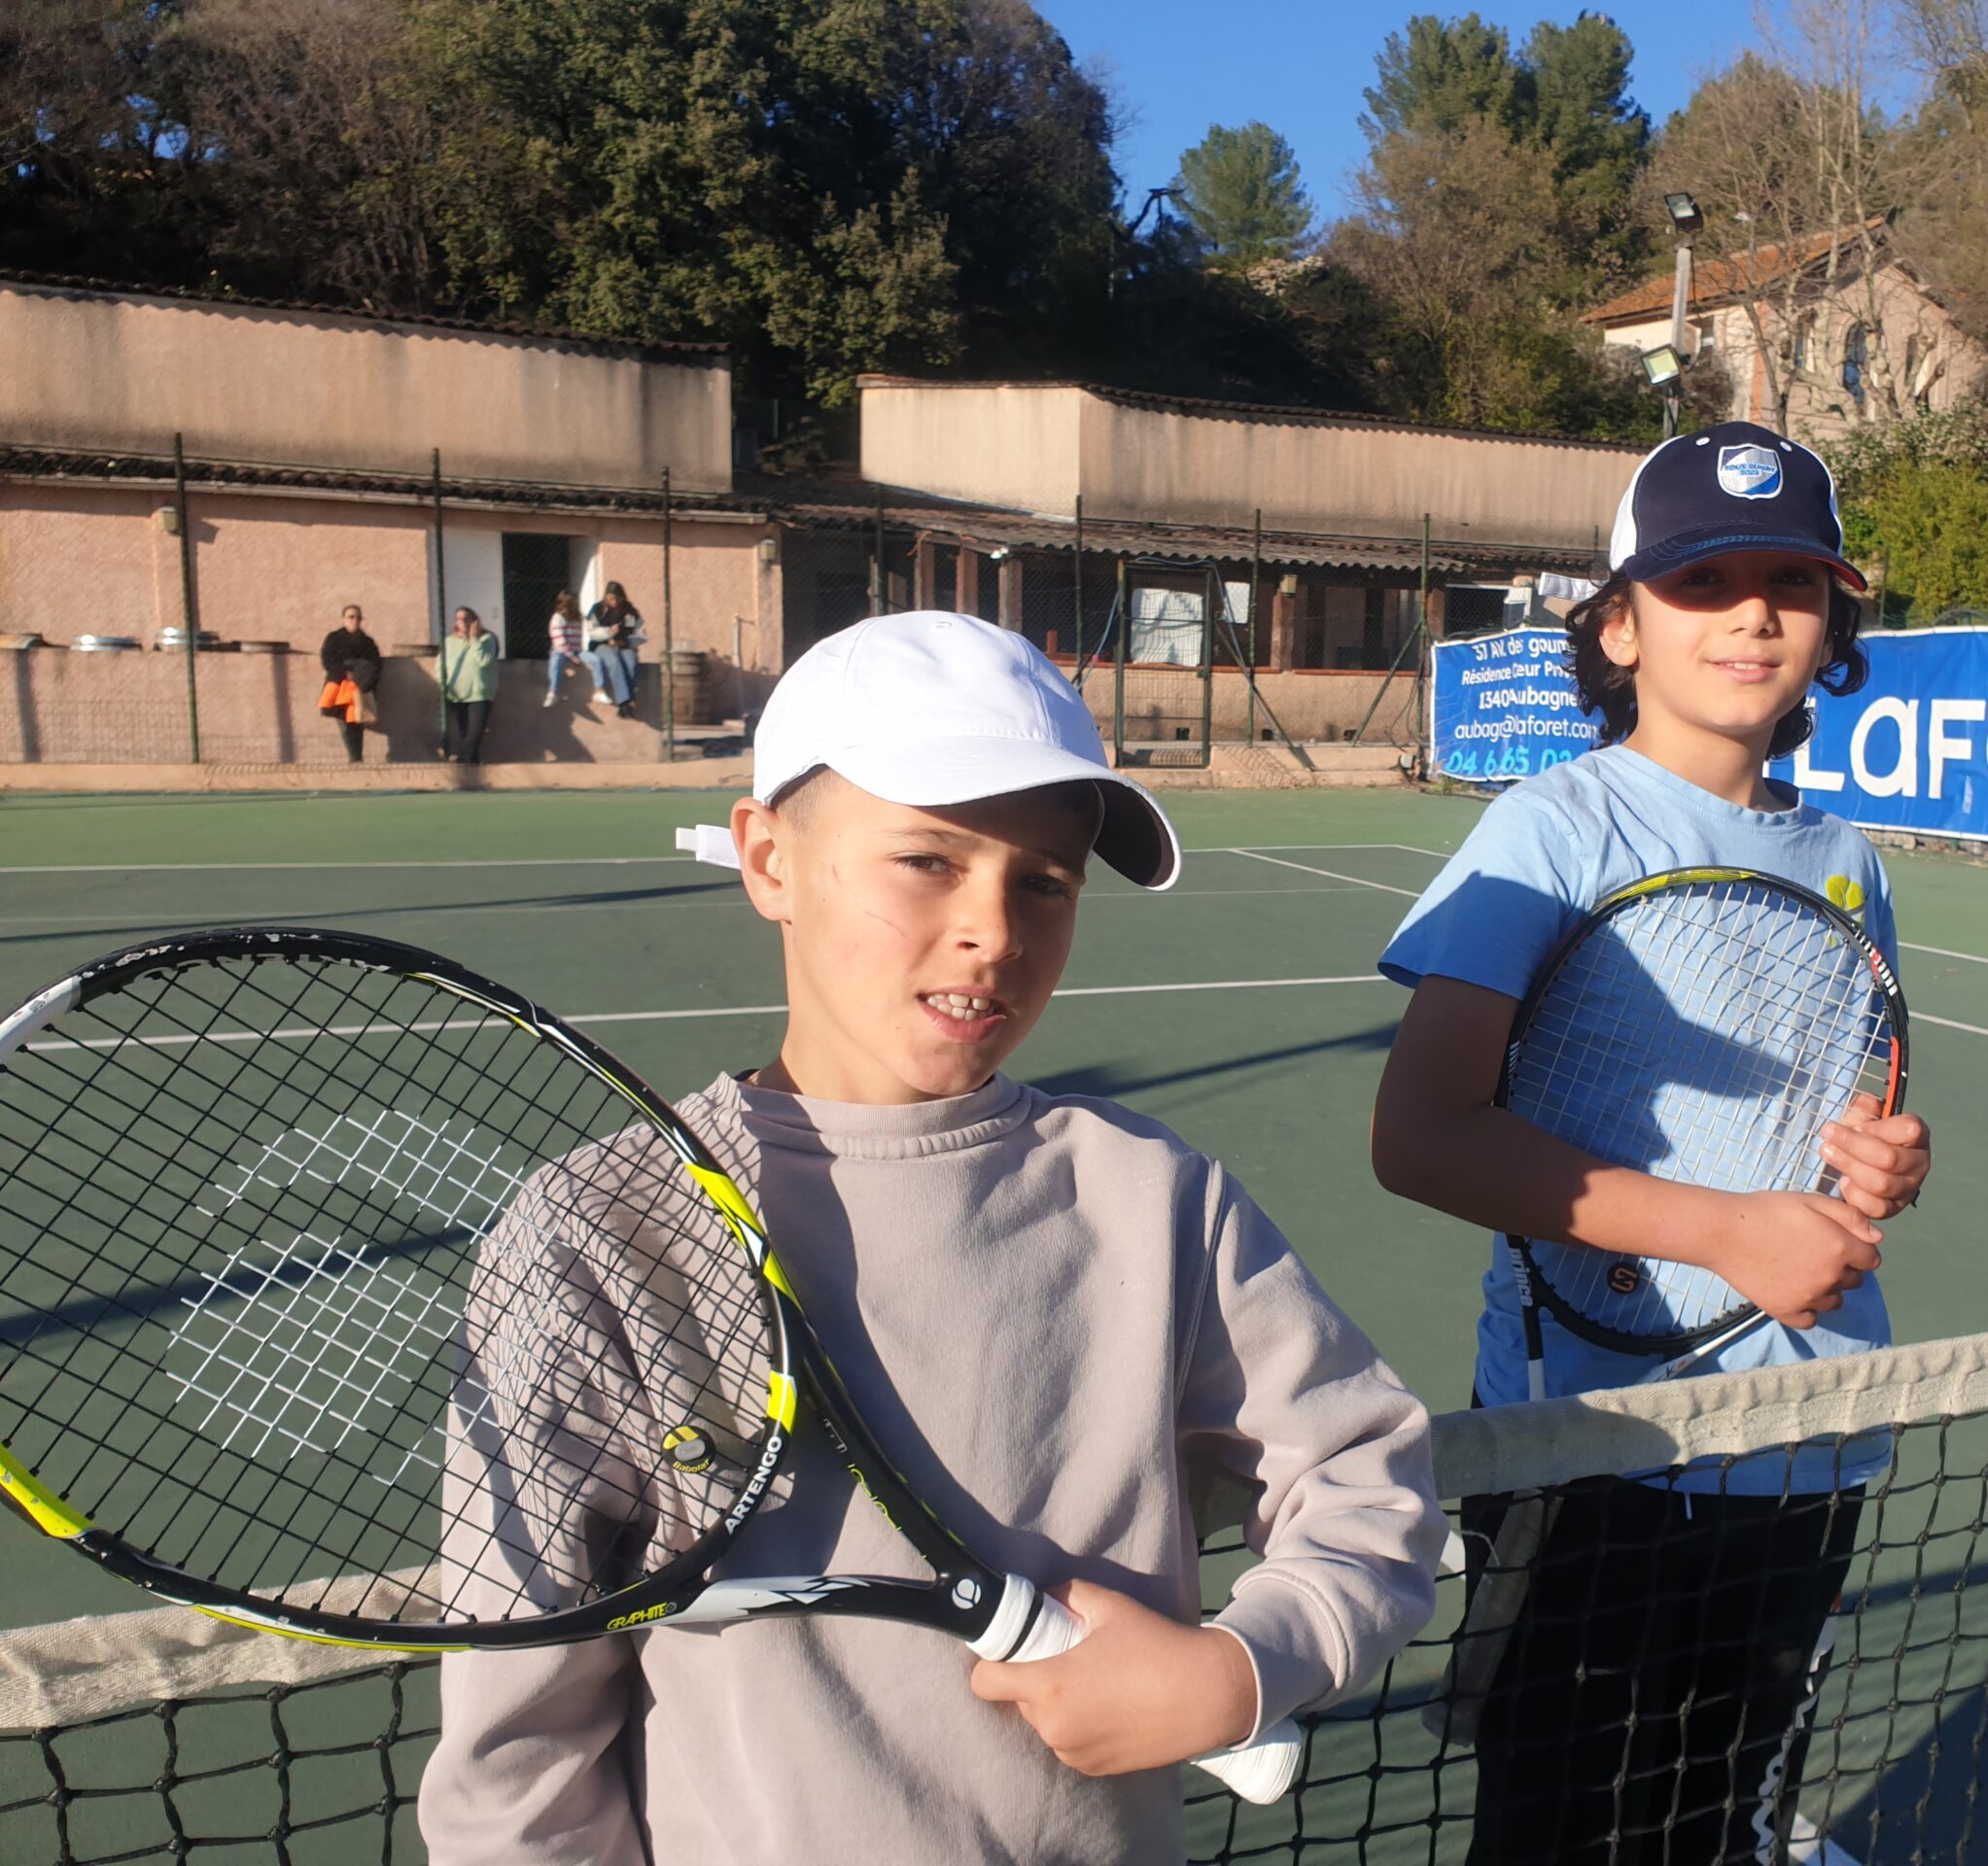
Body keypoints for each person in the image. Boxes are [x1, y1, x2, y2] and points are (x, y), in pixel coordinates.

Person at [419, 610, 1445, 1865]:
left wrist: (1242, 1669)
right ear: (768, 860)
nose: (994, 931)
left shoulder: (1154, 1198)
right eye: (927, 860)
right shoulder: (597, 1235)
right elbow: (517, 1767)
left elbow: (1364, 1471)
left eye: (1045, 881)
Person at [1368, 424, 1935, 1865]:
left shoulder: (1847, 862)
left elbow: (1837, 1112)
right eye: (1701, 583)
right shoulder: (1546, 831)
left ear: (1832, 624)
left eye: (1789, 584)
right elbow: (1423, 1135)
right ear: (1618, 626)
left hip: (1807, 1445)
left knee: (1714, 1822)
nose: (1752, 614)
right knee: (1560, 1834)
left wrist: (1881, 1166)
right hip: (1593, 1456)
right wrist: (1721, 1229)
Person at [317, 603, 382, 763]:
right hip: (339, 686)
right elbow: (327, 660)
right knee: (344, 722)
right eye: (351, 617)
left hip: (359, 688)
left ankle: (356, 758)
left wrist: (362, 679)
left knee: (356, 721)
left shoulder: (367, 642)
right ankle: (354, 756)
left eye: (358, 617)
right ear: (344, 619)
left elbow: (376, 664)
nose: (355, 621)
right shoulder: (333, 638)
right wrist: (344, 673)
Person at [439, 606, 500, 765]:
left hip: (478, 694)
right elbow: (441, 666)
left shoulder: (487, 639)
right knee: (463, 732)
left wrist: (474, 639)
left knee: (475, 732)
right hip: (456, 693)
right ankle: (471, 764)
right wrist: (442, 685)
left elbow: (483, 661)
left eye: (466, 619)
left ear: (475, 621)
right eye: (459, 619)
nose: (463, 622)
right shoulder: (449, 641)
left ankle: (462, 760)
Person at [585, 579, 644, 716]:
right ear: (606, 597)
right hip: (601, 646)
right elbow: (592, 631)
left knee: (630, 661)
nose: (614, 602)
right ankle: (623, 702)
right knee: (614, 661)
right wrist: (608, 633)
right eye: (611, 599)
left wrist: (625, 642)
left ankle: (629, 701)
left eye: (617, 599)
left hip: (624, 646)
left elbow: (640, 634)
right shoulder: (598, 610)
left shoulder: (629, 612)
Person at [544, 590, 585, 708]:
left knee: (595, 660)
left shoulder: (578, 618)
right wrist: (571, 656)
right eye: (572, 603)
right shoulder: (557, 618)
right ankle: (552, 693)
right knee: (555, 662)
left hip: (577, 650)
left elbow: (578, 639)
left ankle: (600, 690)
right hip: (561, 651)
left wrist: (579, 654)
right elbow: (559, 641)